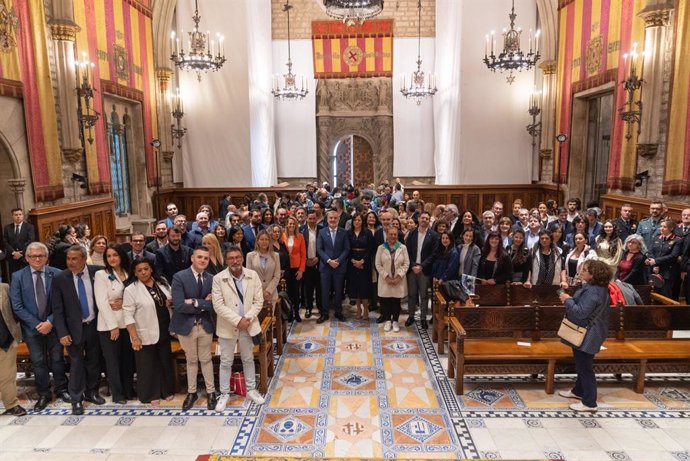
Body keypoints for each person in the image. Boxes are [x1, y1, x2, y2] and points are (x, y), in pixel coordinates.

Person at [10, 242, 69, 411]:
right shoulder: (18, 277)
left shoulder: (57, 274)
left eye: (41, 256)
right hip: (32, 329)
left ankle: (62, 389)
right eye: (33, 256)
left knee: (57, 360)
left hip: (54, 326)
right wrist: (38, 324)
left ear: (46, 257)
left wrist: (50, 322)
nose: (37, 259)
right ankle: (44, 393)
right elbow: (17, 306)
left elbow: (62, 302)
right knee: (38, 362)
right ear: (27, 258)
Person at [51, 245, 105, 415]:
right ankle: (76, 399)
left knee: (94, 361)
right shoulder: (60, 278)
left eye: (74, 259)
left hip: (94, 325)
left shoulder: (98, 272)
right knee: (76, 363)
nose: (70, 262)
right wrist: (62, 332)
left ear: (83, 259)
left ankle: (92, 392)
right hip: (73, 329)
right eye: (68, 259)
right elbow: (57, 309)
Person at [212, 246, 266, 411]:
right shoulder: (218, 279)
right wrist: (237, 321)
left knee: (248, 359)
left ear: (242, 258)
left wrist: (246, 319)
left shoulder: (252, 275)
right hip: (228, 327)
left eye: (237, 257)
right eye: (231, 258)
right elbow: (218, 305)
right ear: (226, 260)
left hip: (248, 326)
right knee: (226, 361)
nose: (235, 261)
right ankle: (224, 393)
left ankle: (251, 389)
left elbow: (259, 301)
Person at [558, 259, 611, 412]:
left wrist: (567, 300)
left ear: (593, 274)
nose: (581, 271)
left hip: (589, 333)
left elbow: (581, 313)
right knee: (581, 363)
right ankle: (578, 391)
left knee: (585, 367)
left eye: (585, 269)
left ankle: (589, 403)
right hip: (588, 331)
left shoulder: (593, 291)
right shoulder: (594, 287)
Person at [171, 246, 217, 411]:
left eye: (206, 258)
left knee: (206, 359)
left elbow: (214, 304)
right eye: (199, 257)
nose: (203, 260)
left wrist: (195, 302)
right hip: (186, 326)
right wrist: (203, 303)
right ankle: (192, 392)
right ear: (192, 258)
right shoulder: (179, 277)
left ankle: (211, 392)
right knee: (191, 360)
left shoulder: (212, 278)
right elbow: (179, 305)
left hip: (204, 325)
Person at [123, 259, 175, 404]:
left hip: (164, 329)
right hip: (144, 332)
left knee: (164, 361)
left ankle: (166, 391)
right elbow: (127, 315)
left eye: (146, 269)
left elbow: (171, 298)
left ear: (151, 269)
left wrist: (171, 302)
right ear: (135, 272)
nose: (143, 272)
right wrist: (134, 337)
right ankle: (151, 394)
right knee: (147, 365)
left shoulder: (161, 282)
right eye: (139, 270)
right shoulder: (131, 289)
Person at [94, 244, 134, 404]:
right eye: (109, 256)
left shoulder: (128, 272)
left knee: (127, 359)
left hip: (128, 323)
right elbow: (102, 303)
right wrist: (113, 326)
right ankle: (118, 394)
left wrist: (124, 302)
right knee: (113, 361)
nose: (112, 259)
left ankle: (128, 389)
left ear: (121, 256)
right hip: (109, 326)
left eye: (115, 255)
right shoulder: (101, 274)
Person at [404, 211, 438, 329]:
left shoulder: (433, 235)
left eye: (427, 219)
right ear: (418, 219)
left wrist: (421, 266)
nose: (424, 220)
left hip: (424, 269)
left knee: (424, 295)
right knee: (412, 294)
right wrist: (413, 265)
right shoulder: (411, 233)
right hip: (412, 268)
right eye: (422, 218)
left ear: (429, 221)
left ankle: (423, 318)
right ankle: (411, 316)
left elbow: (434, 254)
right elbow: (406, 251)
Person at [316, 210, 350, 323]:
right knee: (325, 291)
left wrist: (338, 261)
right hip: (325, 267)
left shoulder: (344, 232)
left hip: (339, 267)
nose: (333, 220)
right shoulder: (321, 232)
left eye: (335, 218)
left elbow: (346, 249)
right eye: (331, 218)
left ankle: (338, 312)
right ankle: (324, 313)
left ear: (338, 219)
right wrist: (329, 260)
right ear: (327, 218)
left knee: (339, 291)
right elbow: (319, 249)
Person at [375, 227, 410, 333]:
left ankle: (395, 321)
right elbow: (377, 264)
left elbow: (406, 263)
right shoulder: (381, 248)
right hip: (385, 280)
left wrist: (399, 276)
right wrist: (386, 277)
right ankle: (387, 321)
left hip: (398, 280)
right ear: (387, 235)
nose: (393, 236)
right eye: (391, 234)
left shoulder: (402, 248)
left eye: (395, 234)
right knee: (385, 301)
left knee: (396, 301)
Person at [0, 282, 27, 416]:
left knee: (8, 376)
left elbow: (14, 311)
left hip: (5, 340)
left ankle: (11, 404)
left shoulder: (4, 288)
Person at [347, 213, 375, 320]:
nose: (357, 222)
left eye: (359, 220)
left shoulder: (367, 233)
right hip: (352, 262)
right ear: (352, 221)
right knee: (356, 287)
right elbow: (346, 248)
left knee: (364, 286)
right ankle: (358, 308)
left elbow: (371, 249)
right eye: (355, 220)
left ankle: (366, 309)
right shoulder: (348, 233)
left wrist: (362, 261)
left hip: (365, 263)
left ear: (362, 221)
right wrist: (353, 260)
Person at [646, 219, 682, 299]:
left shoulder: (677, 240)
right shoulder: (656, 238)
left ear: (671, 228)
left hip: (667, 271)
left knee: (666, 295)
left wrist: (656, 261)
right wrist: (653, 262)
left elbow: (673, 256)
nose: (661, 228)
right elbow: (650, 252)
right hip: (654, 270)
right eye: (661, 226)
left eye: (664, 227)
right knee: (653, 294)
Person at [246, 230, 281, 311]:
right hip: (255, 295)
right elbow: (249, 277)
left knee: (271, 320)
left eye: (266, 239)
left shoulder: (275, 256)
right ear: (257, 241)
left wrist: (268, 291)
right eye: (261, 239)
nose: (264, 242)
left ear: (269, 241)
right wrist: (260, 291)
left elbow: (277, 276)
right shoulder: (250, 256)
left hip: (271, 294)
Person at [282, 216, 306, 322]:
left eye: (293, 224)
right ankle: (289, 313)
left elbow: (303, 255)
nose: (291, 225)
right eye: (290, 223)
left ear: (296, 225)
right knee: (288, 292)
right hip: (286, 268)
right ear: (287, 224)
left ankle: (297, 312)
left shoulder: (300, 236)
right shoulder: (282, 236)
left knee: (296, 292)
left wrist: (301, 270)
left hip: (296, 268)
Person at [3, 208, 36, 278]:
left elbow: (30, 240)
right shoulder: (7, 228)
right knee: (14, 277)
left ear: (22, 215)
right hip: (13, 258)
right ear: (12, 216)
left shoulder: (29, 227)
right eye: (16, 215)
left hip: (25, 257)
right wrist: (13, 252)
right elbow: (5, 241)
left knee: (28, 277)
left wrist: (21, 253)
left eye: (20, 214)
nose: (18, 216)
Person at [301, 210, 322, 319]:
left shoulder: (322, 230)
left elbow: (325, 247)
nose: (312, 221)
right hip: (306, 263)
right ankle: (308, 308)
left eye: (314, 218)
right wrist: (306, 259)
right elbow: (300, 248)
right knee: (307, 288)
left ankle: (320, 307)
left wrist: (318, 258)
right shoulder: (301, 230)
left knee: (319, 287)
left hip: (319, 262)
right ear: (306, 219)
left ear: (317, 218)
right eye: (310, 218)